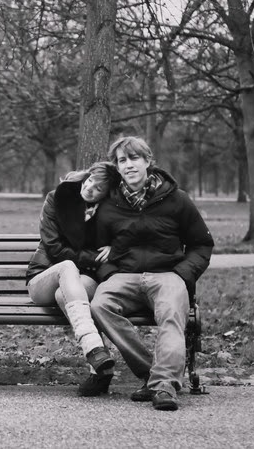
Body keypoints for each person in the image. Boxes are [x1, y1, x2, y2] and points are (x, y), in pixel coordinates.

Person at [89, 136, 214, 411]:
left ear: (147, 161)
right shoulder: (109, 205)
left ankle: (165, 386)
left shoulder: (177, 199)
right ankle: (152, 373)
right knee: (99, 305)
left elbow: (202, 244)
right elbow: (95, 249)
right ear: (117, 167)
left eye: (134, 158)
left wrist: (182, 275)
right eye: (122, 160)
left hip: (168, 275)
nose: (129, 165)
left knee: (172, 313)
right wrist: (109, 274)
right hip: (124, 277)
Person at [26, 162, 119, 395]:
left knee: (64, 294)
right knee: (67, 266)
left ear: (106, 195)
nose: (89, 188)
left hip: (80, 280)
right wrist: (93, 257)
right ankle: (93, 346)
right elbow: (54, 248)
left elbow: (125, 233)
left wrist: (114, 246)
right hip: (43, 277)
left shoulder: (108, 212)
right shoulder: (56, 198)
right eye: (90, 180)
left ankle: (100, 372)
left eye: (98, 188)